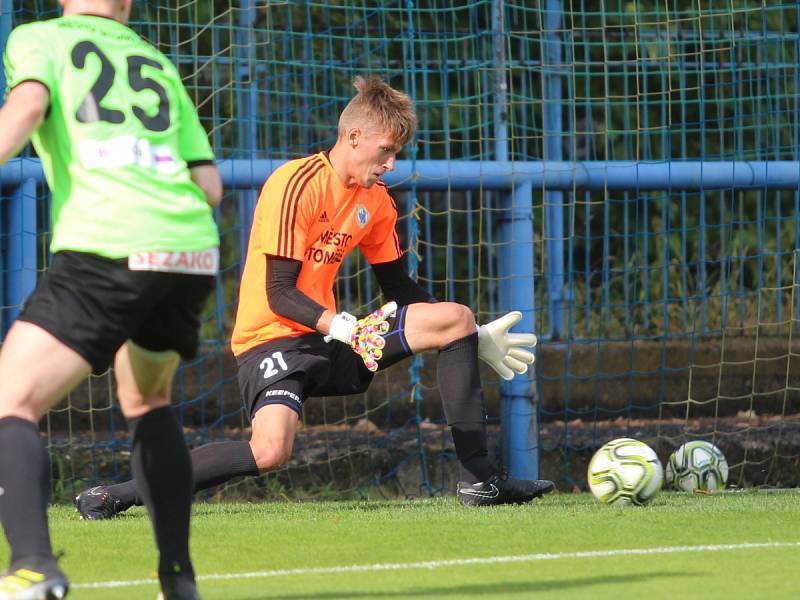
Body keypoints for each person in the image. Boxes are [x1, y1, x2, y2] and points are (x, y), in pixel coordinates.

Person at [75, 74, 553, 522]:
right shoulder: (295, 183)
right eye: (385, 151)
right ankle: (117, 495)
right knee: (270, 452)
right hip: (273, 341)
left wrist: (470, 334)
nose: (391, 164)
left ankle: (479, 481)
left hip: (334, 336)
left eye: (397, 153)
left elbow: (400, 291)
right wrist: (344, 326)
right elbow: (279, 294)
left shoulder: (377, 200)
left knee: (454, 317)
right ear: (353, 139)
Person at [0, 1, 222, 598]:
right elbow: (210, 185)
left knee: (9, 397)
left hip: (108, 244)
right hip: (189, 247)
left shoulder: (38, 38)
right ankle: (178, 575)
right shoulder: (155, 60)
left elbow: (26, 108)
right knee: (147, 400)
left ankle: (32, 566)